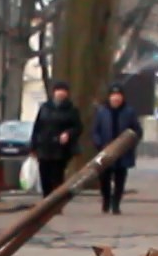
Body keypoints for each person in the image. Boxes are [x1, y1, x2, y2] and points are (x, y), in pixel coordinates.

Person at [91, 81, 141, 214]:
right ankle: (106, 200)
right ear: (109, 97)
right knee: (104, 180)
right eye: (113, 95)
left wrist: (130, 143)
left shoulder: (129, 112)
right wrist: (99, 144)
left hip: (122, 153)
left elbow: (137, 131)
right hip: (105, 152)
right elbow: (95, 131)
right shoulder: (102, 112)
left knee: (120, 180)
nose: (116, 98)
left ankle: (116, 204)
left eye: (118, 95)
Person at [30, 81, 79, 196]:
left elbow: (77, 127)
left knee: (57, 176)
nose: (60, 93)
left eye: (63, 91)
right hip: (44, 146)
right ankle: (46, 199)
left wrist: (68, 133)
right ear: (54, 93)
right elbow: (37, 127)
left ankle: (56, 200)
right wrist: (33, 146)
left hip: (60, 149)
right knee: (44, 176)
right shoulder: (45, 108)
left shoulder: (71, 110)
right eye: (58, 91)